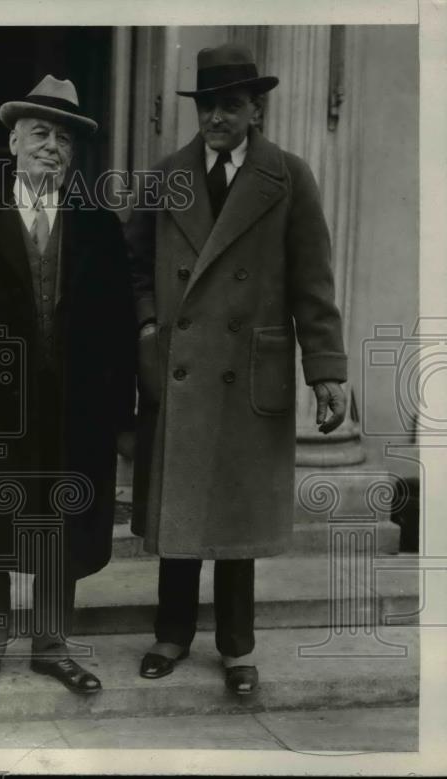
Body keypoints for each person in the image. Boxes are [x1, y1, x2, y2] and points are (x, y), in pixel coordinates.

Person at [126, 43, 348, 695]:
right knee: (181, 508)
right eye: (208, 105)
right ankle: (170, 634)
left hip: (251, 366)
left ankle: (236, 645)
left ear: (256, 108)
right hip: (183, 367)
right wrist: (146, 322)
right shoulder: (167, 175)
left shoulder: (290, 177)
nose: (216, 117)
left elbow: (313, 283)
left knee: (237, 512)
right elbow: (134, 265)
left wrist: (327, 371)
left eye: (230, 105)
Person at [0, 75, 137, 698]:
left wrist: (116, 412)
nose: (51, 147)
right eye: (40, 134)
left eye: (64, 139)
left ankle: (52, 647)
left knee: (62, 527)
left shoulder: (99, 225)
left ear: (74, 154)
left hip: (73, 409)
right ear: (14, 144)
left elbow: (120, 327)